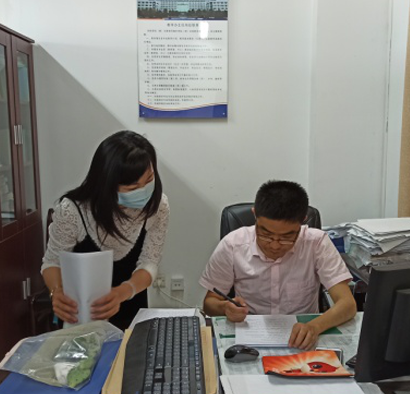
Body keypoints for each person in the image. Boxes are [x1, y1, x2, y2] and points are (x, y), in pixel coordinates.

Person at [200, 180, 356, 350]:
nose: (274, 245)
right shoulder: (233, 244)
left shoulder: (317, 243)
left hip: (302, 338)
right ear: (255, 214)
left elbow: (347, 304)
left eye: (287, 237)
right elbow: (209, 303)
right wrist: (225, 308)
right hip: (249, 337)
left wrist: (314, 327)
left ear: (303, 221)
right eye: (265, 234)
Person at [41, 131, 169, 330]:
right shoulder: (73, 211)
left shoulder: (157, 206)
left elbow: (149, 262)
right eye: (132, 187)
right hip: (81, 318)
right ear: (107, 183)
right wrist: (56, 292)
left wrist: (123, 292)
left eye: (149, 179)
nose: (144, 190)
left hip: (132, 312)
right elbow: (51, 262)